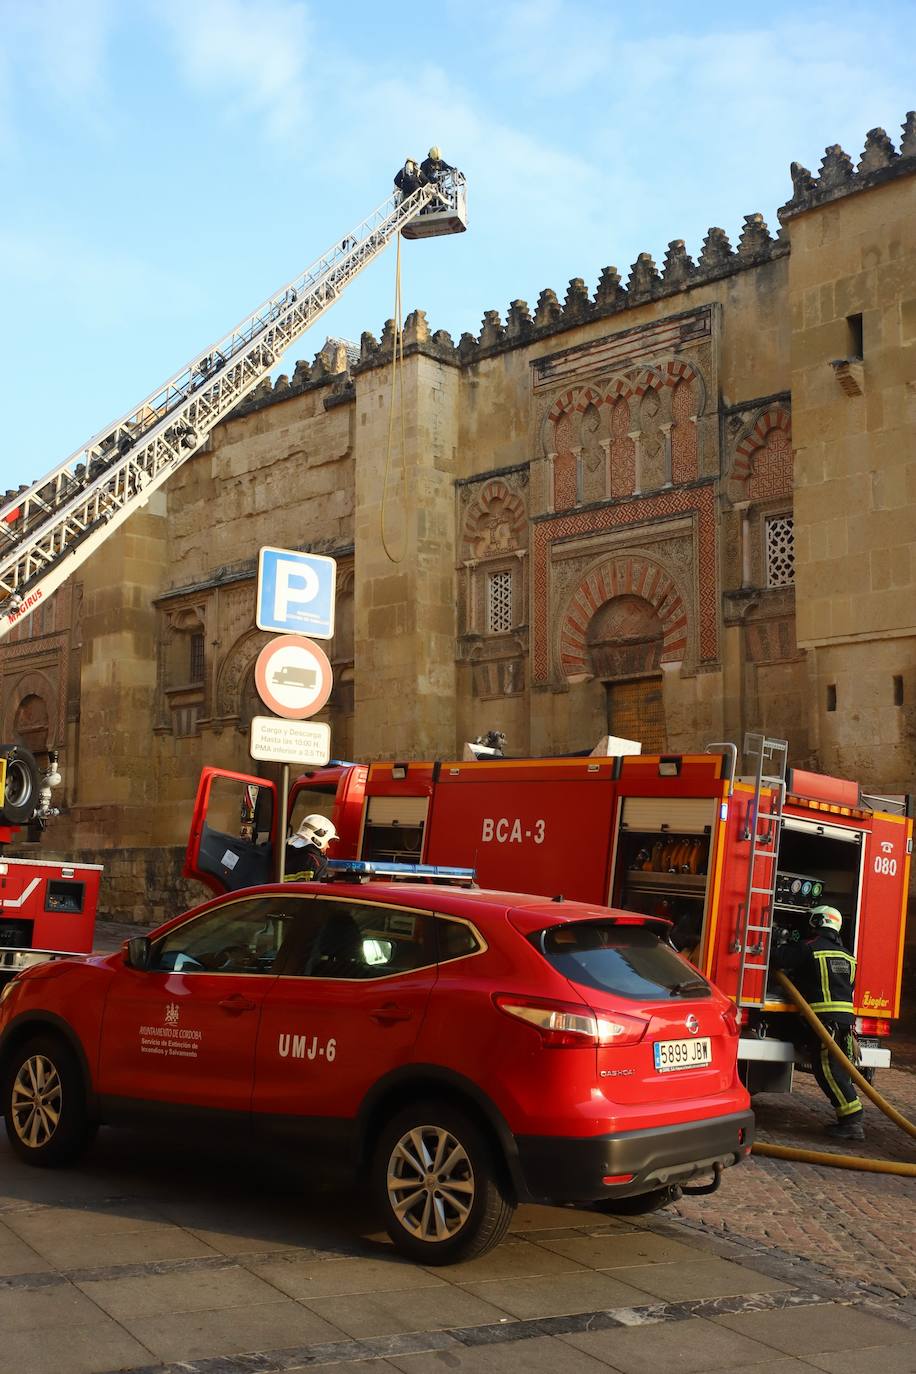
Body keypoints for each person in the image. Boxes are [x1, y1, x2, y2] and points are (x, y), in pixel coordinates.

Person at [773, 905, 865, 1140]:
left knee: (828, 1070)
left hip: (824, 1021)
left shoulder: (809, 948)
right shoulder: (848, 956)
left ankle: (852, 1120)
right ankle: (850, 1118)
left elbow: (777, 959)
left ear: (818, 921)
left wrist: (776, 940)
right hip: (844, 1021)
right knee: (836, 1068)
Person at [284, 813, 338, 882]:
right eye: (328, 841)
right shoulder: (319, 864)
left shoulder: (281, 855)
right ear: (319, 839)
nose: (328, 846)